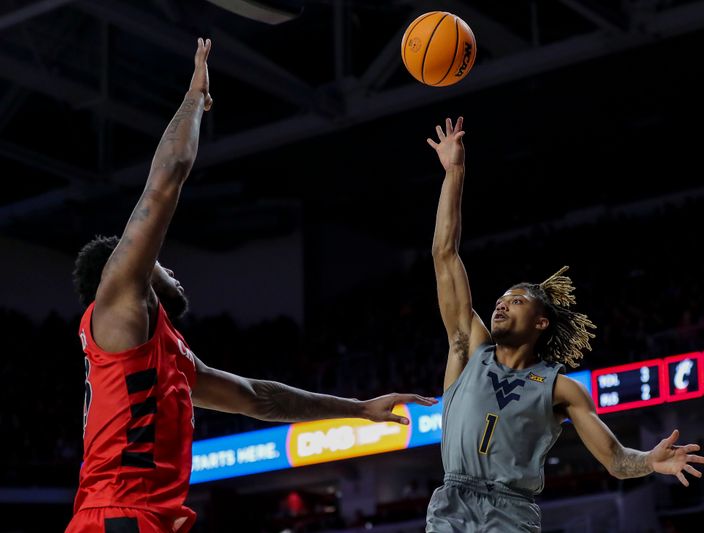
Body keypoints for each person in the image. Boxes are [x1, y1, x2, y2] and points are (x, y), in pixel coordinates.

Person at [65, 39, 436, 533]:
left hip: (142, 517)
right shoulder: (117, 303)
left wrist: (360, 409)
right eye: (157, 262)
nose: (169, 268)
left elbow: (260, 398)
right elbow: (165, 180)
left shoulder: (164, 354)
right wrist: (194, 98)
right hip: (119, 517)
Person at [424, 116, 704, 532]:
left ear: (540, 321)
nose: (500, 306)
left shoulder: (560, 387)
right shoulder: (467, 348)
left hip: (511, 511)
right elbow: (444, 255)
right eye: (500, 300)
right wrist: (455, 172)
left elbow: (613, 458)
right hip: (452, 504)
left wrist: (648, 461)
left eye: (515, 301)